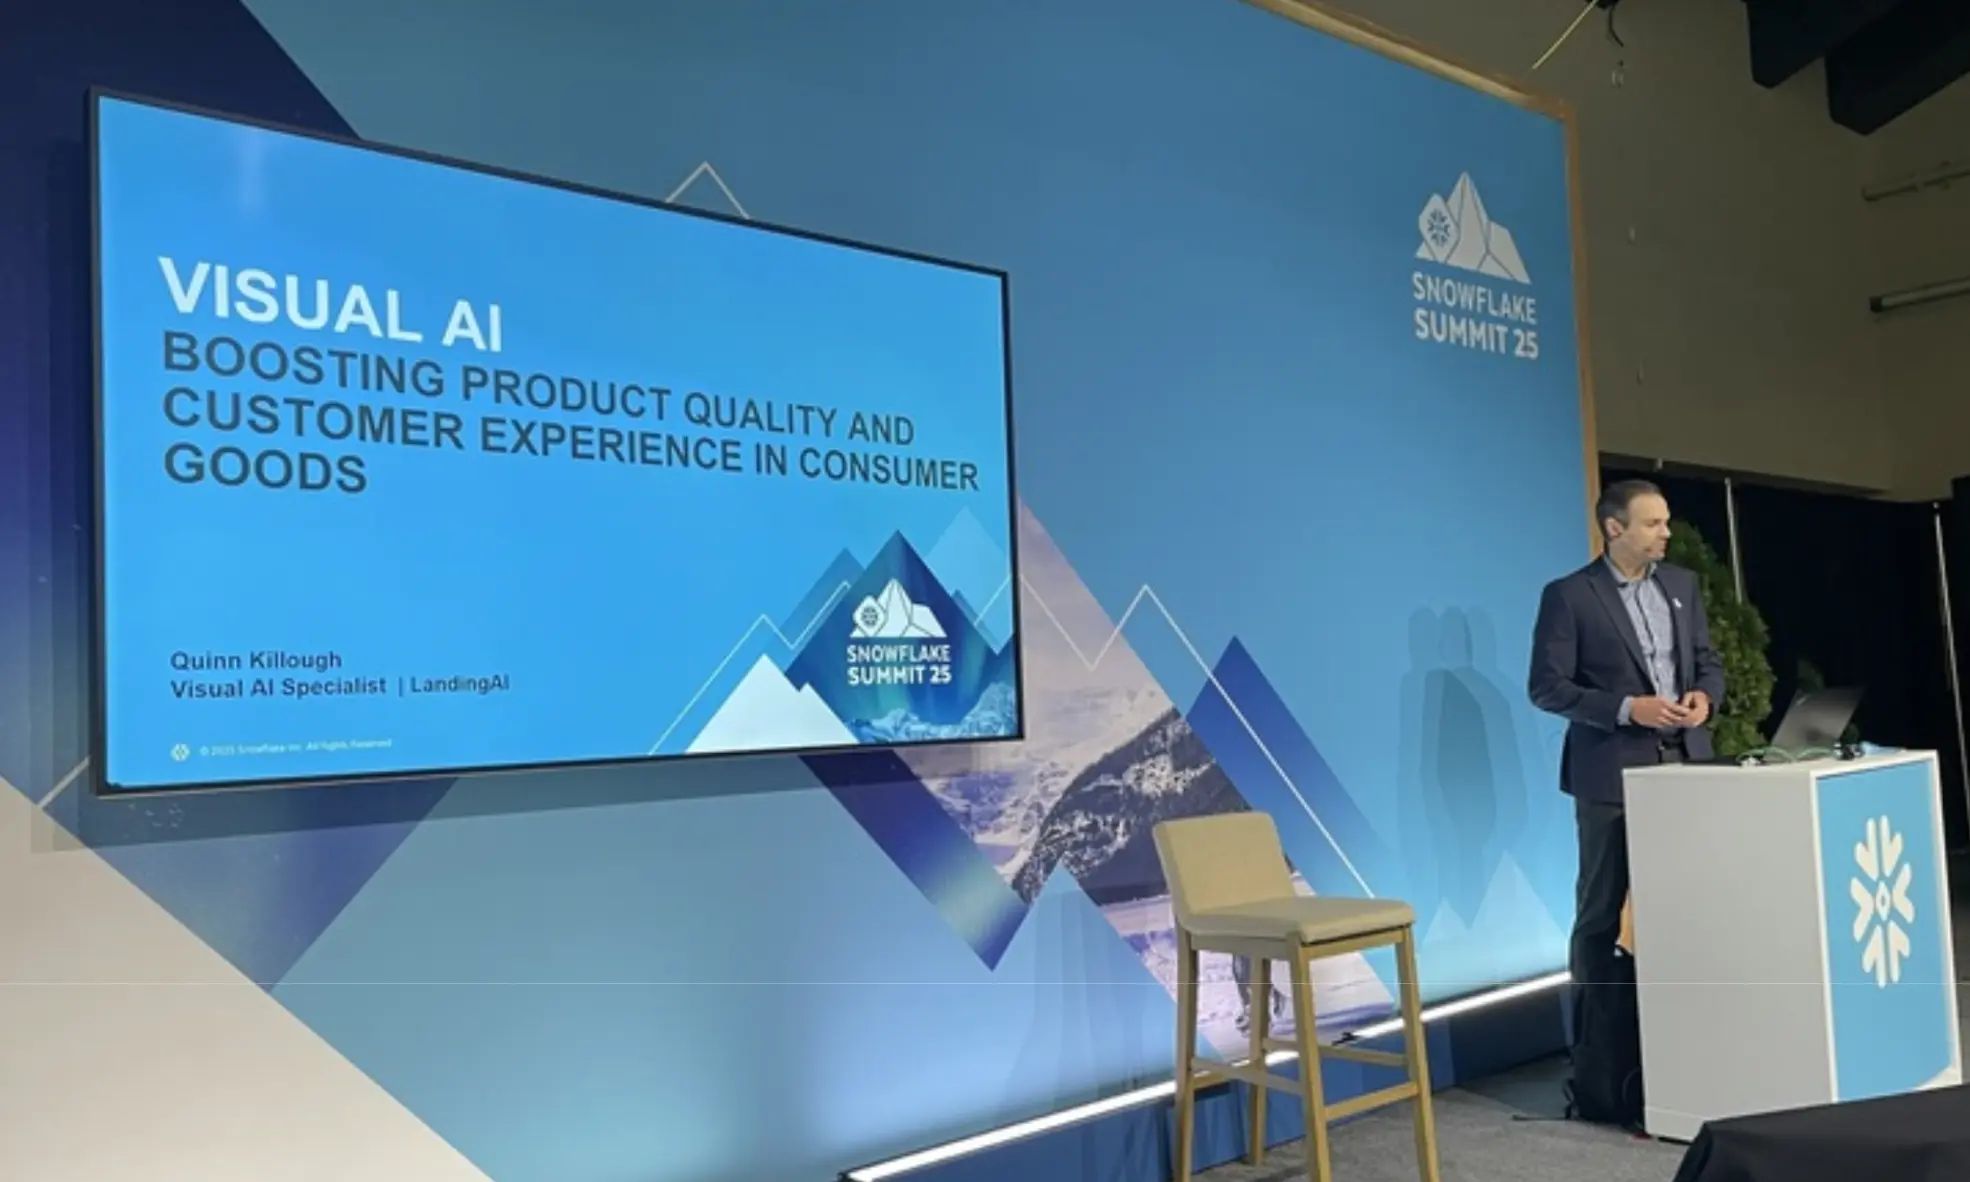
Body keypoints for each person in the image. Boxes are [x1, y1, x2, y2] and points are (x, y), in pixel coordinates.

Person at [1527, 479, 1725, 1080]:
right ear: (1615, 529)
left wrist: (1703, 699)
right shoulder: (1570, 596)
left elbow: (1708, 663)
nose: (1666, 533)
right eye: (1653, 523)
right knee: (1600, 912)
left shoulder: (1681, 587)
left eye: (1665, 521)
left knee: (1695, 906)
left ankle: (1692, 1045)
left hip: (1686, 767)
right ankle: (1598, 1060)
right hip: (1612, 777)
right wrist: (1625, 709)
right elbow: (1548, 687)